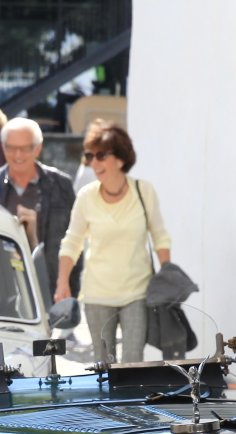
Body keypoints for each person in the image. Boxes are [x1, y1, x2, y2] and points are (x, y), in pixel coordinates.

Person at [54, 120, 170, 364]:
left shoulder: (143, 191)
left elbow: (160, 236)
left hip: (137, 292)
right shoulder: (86, 197)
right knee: (103, 365)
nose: (94, 163)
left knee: (133, 364)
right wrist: (62, 282)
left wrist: (167, 274)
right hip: (97, 294)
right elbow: (72, 241)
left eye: (101, 156)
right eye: (90, 156)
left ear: (120, 158)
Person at [0, 117, 76, 295]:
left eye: (25, 148)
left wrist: (69, 287)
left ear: (38, 148)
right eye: (11, 148)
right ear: (3, 147)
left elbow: (74, 240)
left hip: (48, 286)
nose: (18, 155)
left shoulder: (61, 185)